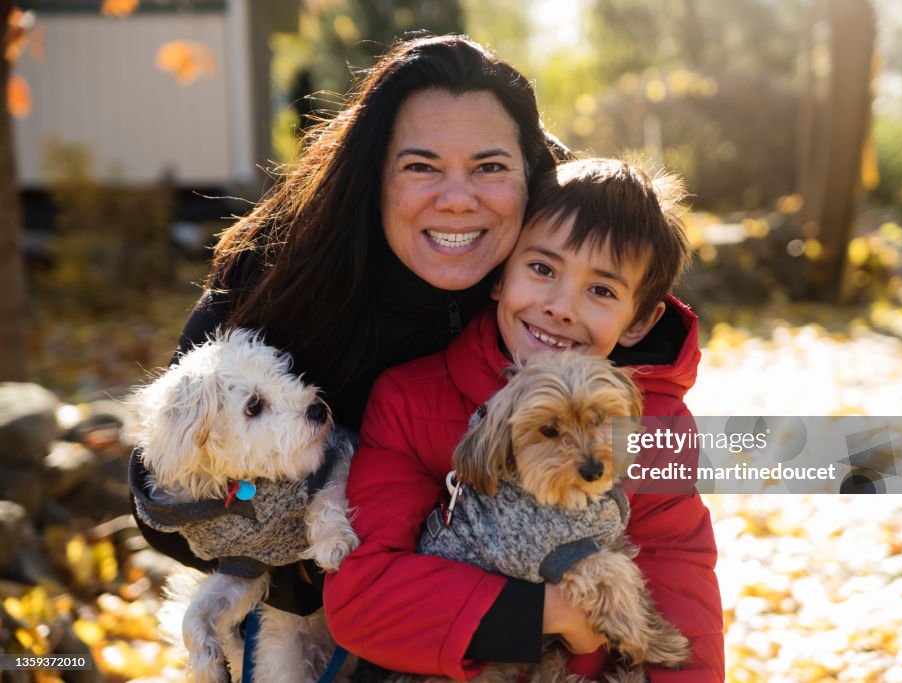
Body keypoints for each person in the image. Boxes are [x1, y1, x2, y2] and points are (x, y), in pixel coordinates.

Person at [130, 34, 564, 620]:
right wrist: (302, 575)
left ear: (530, 177)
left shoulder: (567, 283)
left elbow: (664, 482)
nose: (458, 199)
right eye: (421, 166)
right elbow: (163, 498)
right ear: (374, 176)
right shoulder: (284, 271)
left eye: (490, 167)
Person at [327, 158, 725, 682]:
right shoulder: (410, 399)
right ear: (499, 275)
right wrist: (553, 612)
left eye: (601, 290)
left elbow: (680, 582)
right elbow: (363, 601)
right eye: (542, 269)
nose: (562, 307)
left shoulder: (658, 426)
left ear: (641, 320)